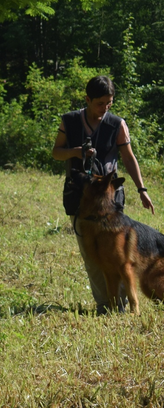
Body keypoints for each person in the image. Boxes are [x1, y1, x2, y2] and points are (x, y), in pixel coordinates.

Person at [53, 74, 154, 312]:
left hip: (109, 202)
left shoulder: (117, 124)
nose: (105, 108)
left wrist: (142, 189)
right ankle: (105, 305)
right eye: (100, 103)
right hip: (79, 198)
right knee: (92, 257)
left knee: (116, 256)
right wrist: (76, 152)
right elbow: (56, 152)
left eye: (109, 103)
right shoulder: (69, 121)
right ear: (87, 99)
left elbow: (128, 158)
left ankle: (121, 305)